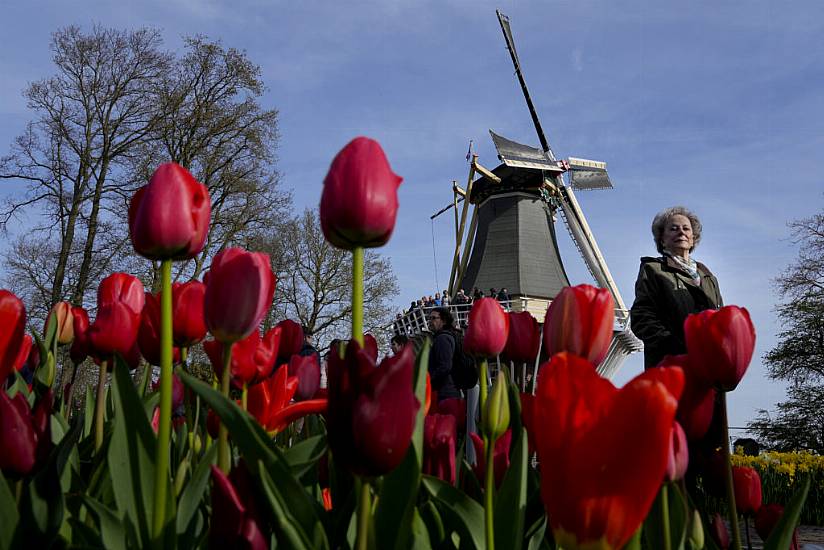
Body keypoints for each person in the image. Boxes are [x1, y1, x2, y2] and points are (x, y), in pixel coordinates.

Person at [630, 206, 723, 369]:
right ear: (662, 240)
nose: (681, 232)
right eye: (673, 229)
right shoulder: (653, 270)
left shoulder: (708, 277)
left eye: (686, 228)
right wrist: (672, 345)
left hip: (708, 368)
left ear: (693, 238)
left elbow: (721, 319)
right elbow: (642, 317)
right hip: (672, 367)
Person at [427, 307, 461, 401]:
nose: (430, 321)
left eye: (434, 318)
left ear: (444, 321)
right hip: (448, 391)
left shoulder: (442, 339)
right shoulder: (446, 337)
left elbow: (445, 366)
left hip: (445, 393)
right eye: (429, 318)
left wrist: (428, 380)